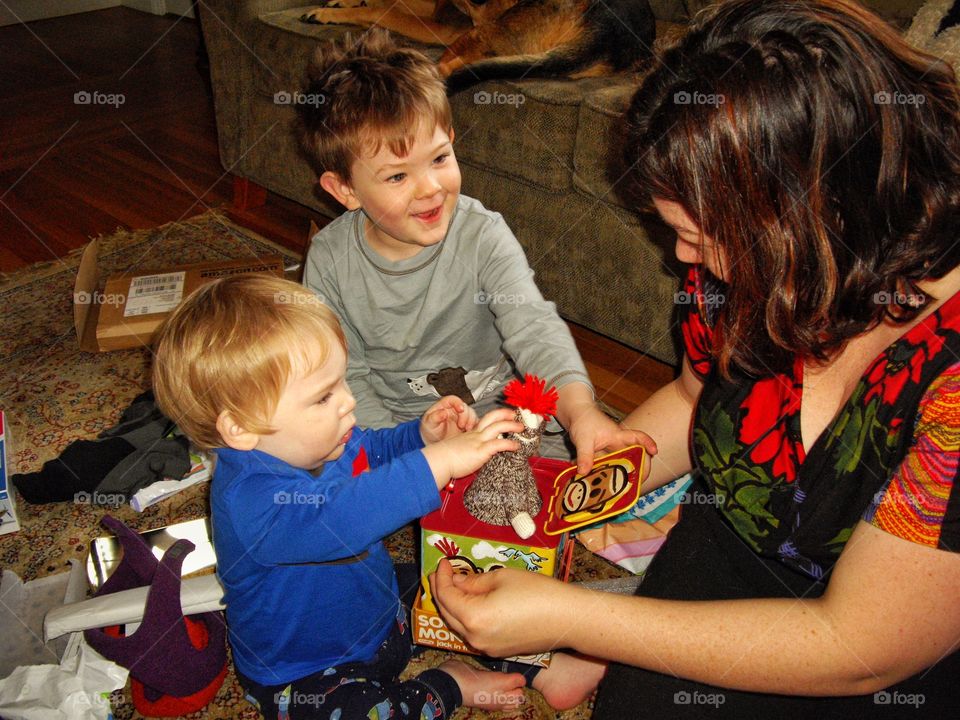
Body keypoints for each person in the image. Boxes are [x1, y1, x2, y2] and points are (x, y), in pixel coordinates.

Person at [428, 1, 960, 716]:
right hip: (738, 534)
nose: (683, 258)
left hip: (882, 634)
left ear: (814, 214)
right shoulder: (747, 263)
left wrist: (576, 617)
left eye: (702, 233)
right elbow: (692, 400)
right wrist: (559, 491)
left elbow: (861, 647)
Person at [151, 274, 596, 719]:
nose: (347, 402)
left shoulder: (322, 441)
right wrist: (439, 463)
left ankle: (538, 665)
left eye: (342, 382)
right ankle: (450, 685)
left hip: (383, 613)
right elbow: (344, 515)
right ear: (241, 429)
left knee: (463, 579)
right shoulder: (251, 499)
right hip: (308, 671)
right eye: (324, 397)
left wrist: (421, 438)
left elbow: (373, 454)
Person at [296, 29, 654, 473]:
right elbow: (348, 379)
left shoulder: (482, 234)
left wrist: (581, 412)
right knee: (316, 464)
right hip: (400, 433)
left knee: (576, 466)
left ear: (451, 137)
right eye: (396, 177)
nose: (430, 189)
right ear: (344, 189)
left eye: (439, 158)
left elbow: (534, 327)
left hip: (498, 416)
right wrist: (409, 455)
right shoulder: (330, 259)